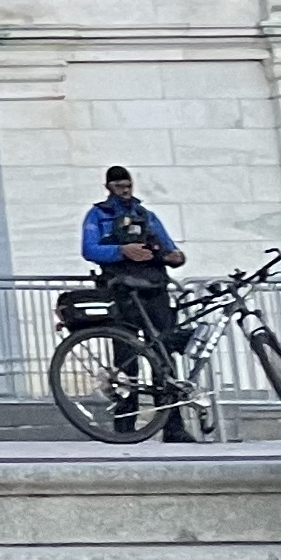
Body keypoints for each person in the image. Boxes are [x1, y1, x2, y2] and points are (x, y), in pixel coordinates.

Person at [80, 165, 194, 442]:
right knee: (125, 361)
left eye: (128, 185)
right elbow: (89, 249)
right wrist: (122, 250)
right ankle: (125, 427)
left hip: (154, 290)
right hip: (122, 293)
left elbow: (170, 248)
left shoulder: (146, 215)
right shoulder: (98, 215)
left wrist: (174, 256)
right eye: (119, 186)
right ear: (108, 187)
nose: (125, 191)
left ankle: (173, 426)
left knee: (165, 358)